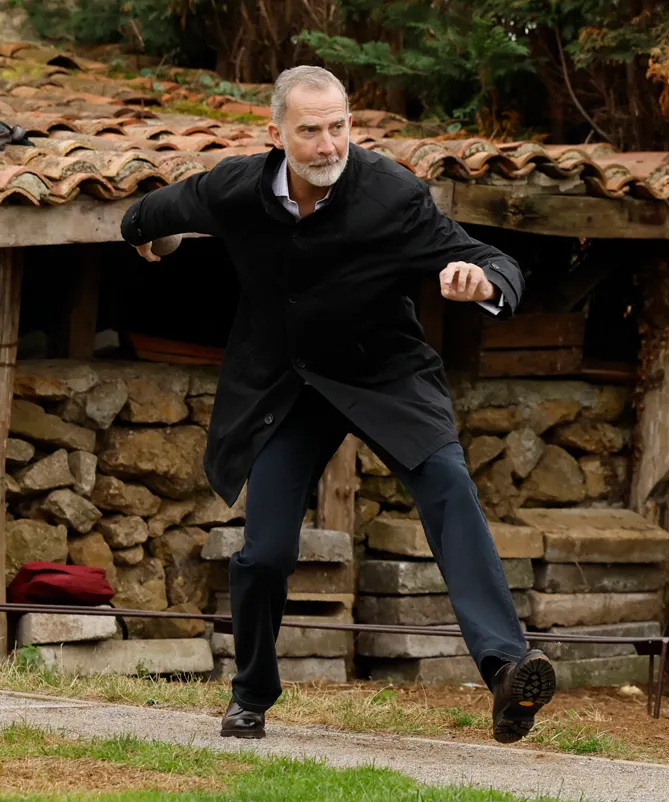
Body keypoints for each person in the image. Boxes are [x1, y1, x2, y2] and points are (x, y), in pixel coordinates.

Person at [120, 66, 556, 744]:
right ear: (276, 134)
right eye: (310, 131)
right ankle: (250, 694)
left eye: (338, 127)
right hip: (289, 386)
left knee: (449, 488)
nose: (328, 145)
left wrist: (482, 282)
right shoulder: (235, 188)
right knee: (264, 553)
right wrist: (159, 239)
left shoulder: (392, 193)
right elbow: (147, 217)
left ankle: (504, 669)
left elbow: (492, 260)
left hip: (385, 375)